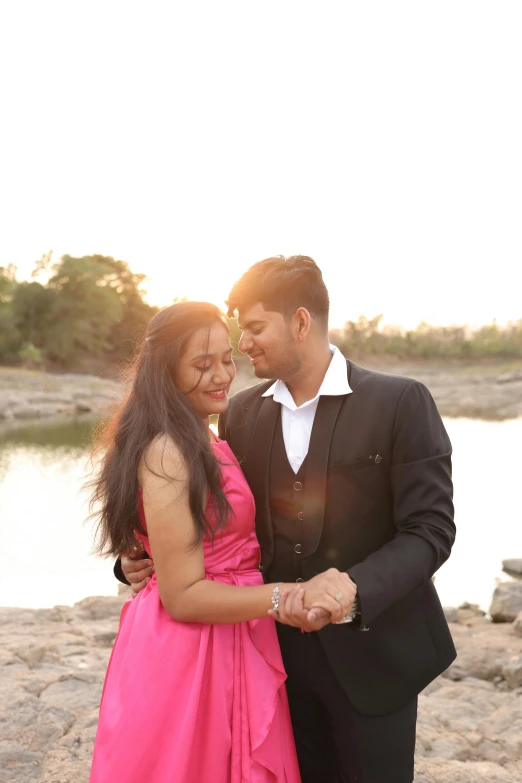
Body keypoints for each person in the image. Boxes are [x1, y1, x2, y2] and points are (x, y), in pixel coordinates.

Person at [119, 256, 457, 783]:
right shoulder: (239, 415)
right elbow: (203, 519)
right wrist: (135, 560)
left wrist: (355, 587)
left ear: (300, 322)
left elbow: (431, 529)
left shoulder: (399, 402)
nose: (244, 345)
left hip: (374, 661)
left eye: (254, 329)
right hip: (270, 665)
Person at [88, 300, 346, 783]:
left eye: (226, 358)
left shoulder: (204, 435)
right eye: (201, 365)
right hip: (190, 649)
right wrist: (285, 596)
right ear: (167, 373)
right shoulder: (168, 448)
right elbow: (183, 595)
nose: (222, 373)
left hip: (231, 630)